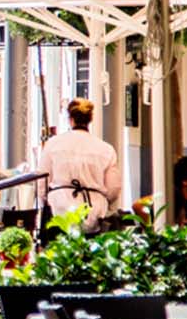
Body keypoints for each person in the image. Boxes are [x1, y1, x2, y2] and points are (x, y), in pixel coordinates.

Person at [33, 98, 121, 229]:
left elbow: (42, 182)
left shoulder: (54, 144)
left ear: (70, 119)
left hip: (59, 208)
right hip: (94, 211)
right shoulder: (106, 149)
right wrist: (104, 202)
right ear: (90, 119)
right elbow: (113, 188)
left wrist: (44, 202)